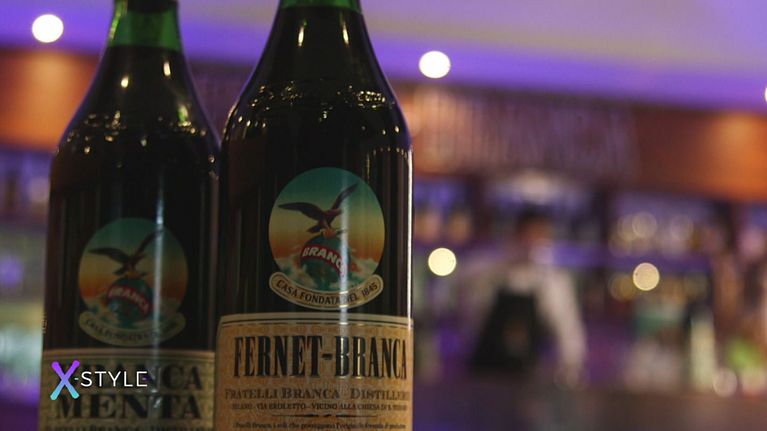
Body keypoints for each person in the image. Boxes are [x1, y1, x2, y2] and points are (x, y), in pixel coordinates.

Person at [462, 210, 587, 383]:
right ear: (515, 235)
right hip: (483, 374)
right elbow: (467, 305)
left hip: (530, 376)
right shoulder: (489, 268)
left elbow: (568, 331)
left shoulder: (553, 281)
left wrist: (570, 368)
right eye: (527, 236)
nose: (531, 243)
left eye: (539, 237)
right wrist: (505, 263)